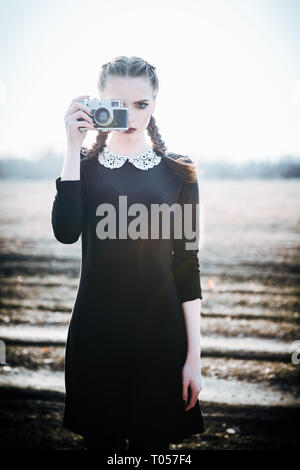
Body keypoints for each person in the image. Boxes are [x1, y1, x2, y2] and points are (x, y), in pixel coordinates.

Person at [51, 56, 205, 452]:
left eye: (142, 104)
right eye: (119, 105)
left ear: (155, 104)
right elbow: (66, 233)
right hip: (96, 339)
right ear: (100, 103)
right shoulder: (83, 168)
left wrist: (194, 358)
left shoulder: (178, 173)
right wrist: (72, 146)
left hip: (161, 342)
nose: (131, 115)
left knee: (152, 455)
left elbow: (186, 265)